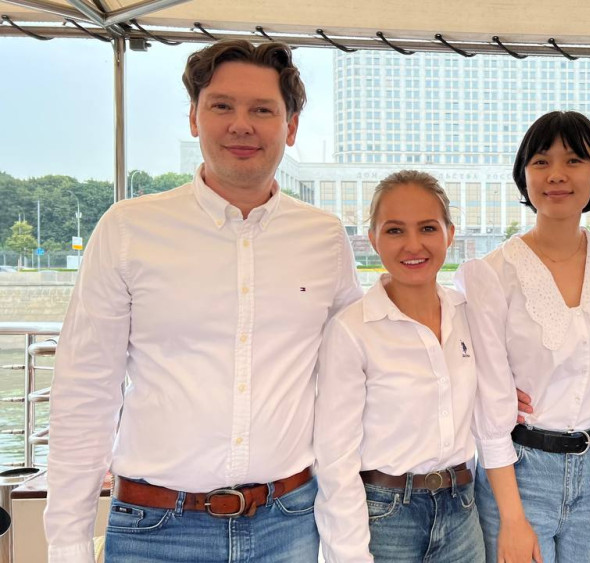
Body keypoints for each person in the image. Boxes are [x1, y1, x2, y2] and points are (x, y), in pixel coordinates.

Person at [44, 40, 362, 562]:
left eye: (262, 110)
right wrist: (68, 545)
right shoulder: (129, 230)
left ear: (291, 126)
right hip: (156, 530)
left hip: (289, 524)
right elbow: (85, 390)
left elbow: (351, 376)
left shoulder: (325, 238)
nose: (241, 125)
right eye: (222, 106)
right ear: (194, 117)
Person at [457, 111, 590, 563]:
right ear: (524, 174)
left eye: (574, 160)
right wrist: (512, 517)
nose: (556, 174)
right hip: (521, 472)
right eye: (541, 162)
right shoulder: (490, 274)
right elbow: (490, 404)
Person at [314, 170, 485, 563]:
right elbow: (336, 457)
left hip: (462, 509)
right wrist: (350, 554)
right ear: (373, 238)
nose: (413, 244)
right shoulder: (352, 329)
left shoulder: (468, 313)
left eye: (428, 228)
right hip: (386, 517)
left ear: (449, 234)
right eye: (394, 230)